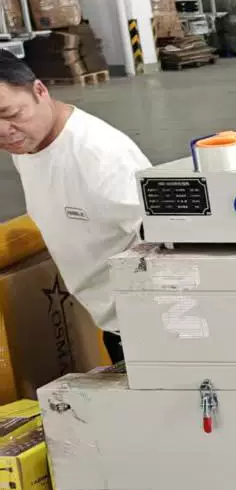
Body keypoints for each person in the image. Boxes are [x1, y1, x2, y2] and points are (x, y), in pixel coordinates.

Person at [0, 60, 149, 365]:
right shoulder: (29, 146)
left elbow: (166, 242)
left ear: (40, 91)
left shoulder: (100, 155)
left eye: (12, 114)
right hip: (111, 319)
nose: (4, 132)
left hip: (144, 325)